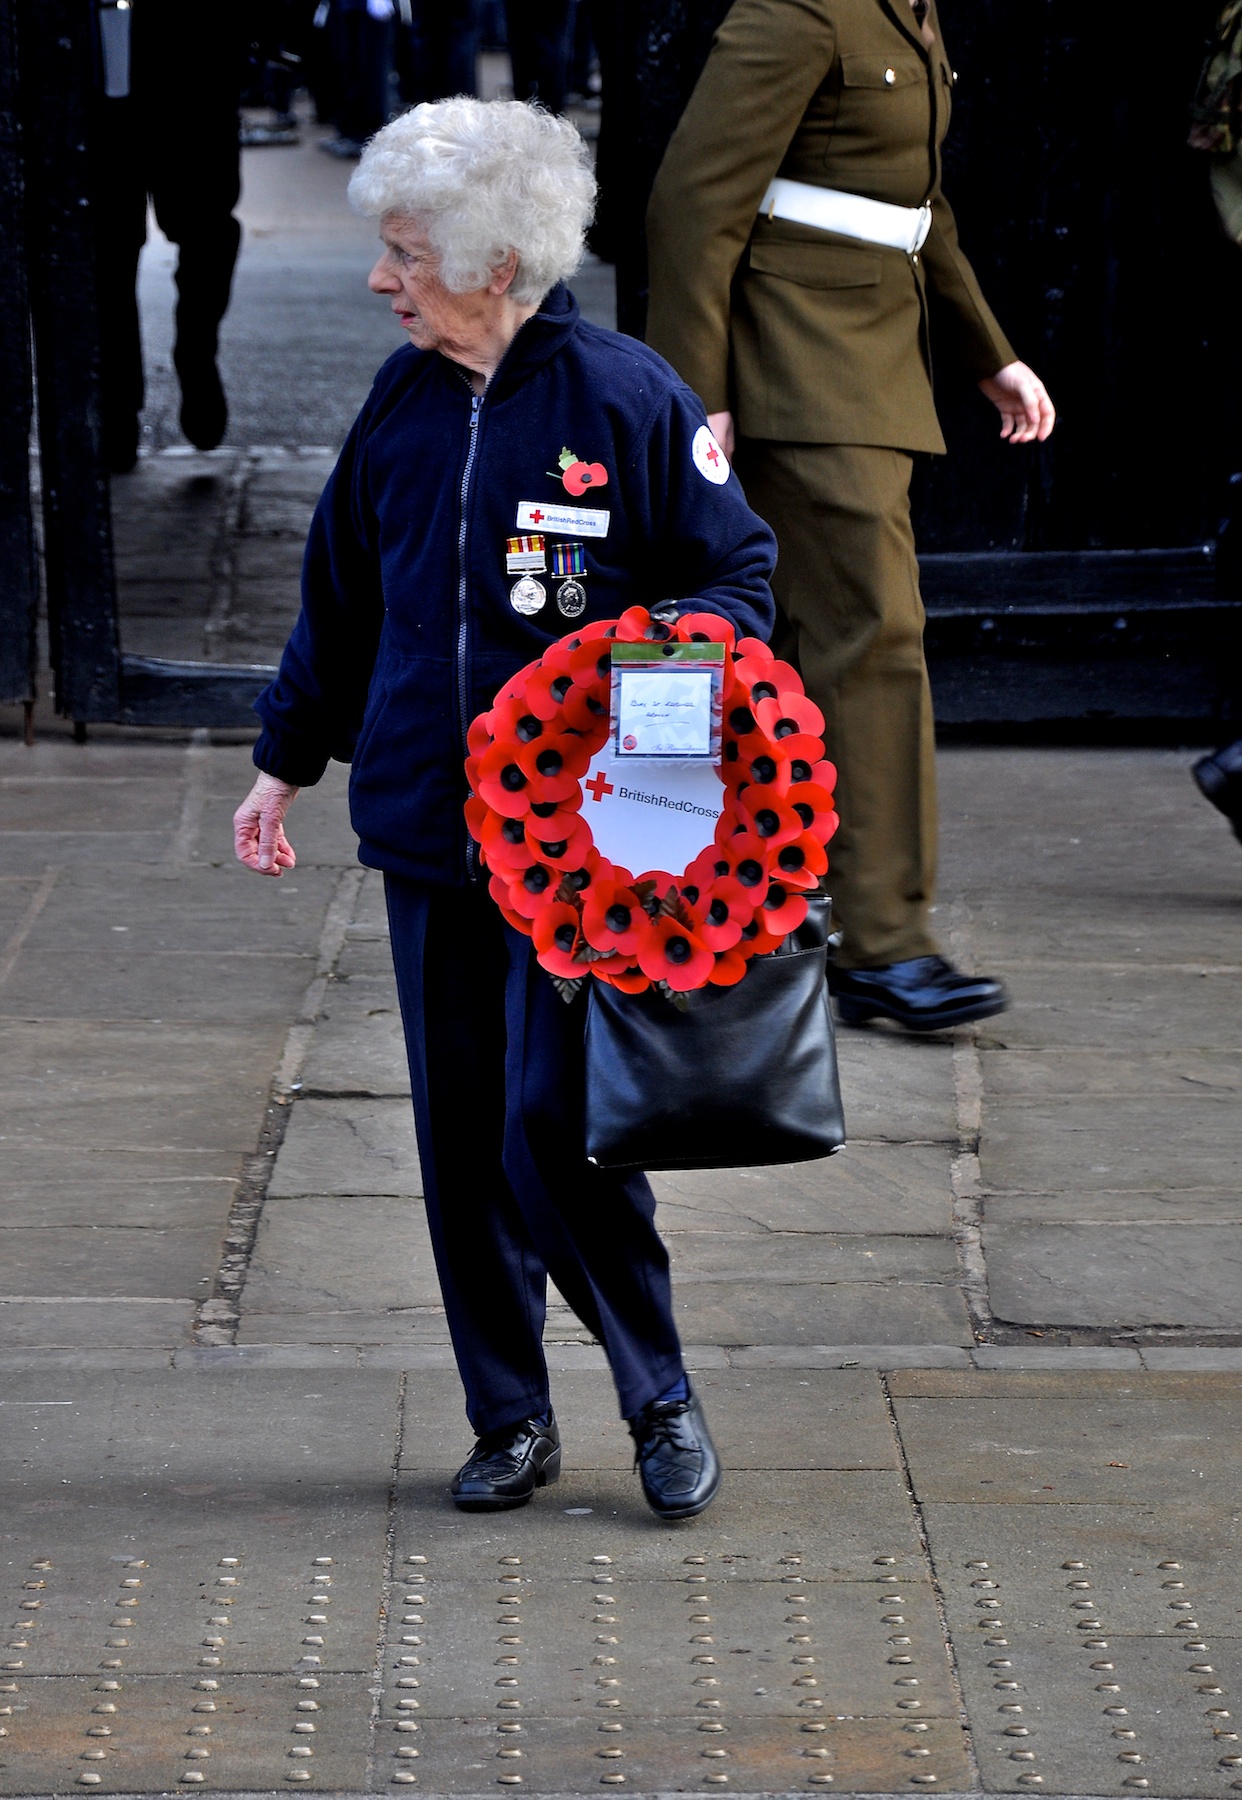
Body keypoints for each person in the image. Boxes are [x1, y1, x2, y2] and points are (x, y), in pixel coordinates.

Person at [232, 97, 777, 1518]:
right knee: (461, 1130)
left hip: (584, 853)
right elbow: (338, 601)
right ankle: (509, 1413)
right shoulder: (401, 404)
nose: (378, 280)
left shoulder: (627, 397)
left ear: (492, 264)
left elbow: (735, 582)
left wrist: (643, 697)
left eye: (405, 254)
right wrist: (282, 761)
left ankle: (655, 1392)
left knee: (554, 1122)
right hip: (425, 832)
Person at [645, 0, 1056, 1033]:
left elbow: (913, 206)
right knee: (873, 636)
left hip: (867, 356)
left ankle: (785, 912)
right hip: (797, 358)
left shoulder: (907, 11)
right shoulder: (796, 10)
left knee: (820, 642)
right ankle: (882, 944)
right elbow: (696, 203)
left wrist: (986, 351)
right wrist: (696, 400)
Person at [90, 0, 248, 470]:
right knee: (104, 249)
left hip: (194, 59)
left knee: (206, 229)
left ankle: (195, 352)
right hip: (91, 71)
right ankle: (116, 407)